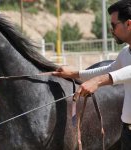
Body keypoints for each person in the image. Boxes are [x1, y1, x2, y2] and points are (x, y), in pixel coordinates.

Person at [52, 1, 131, 150]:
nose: (111, 30)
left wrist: (98, 82)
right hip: (127, 131)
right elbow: (108, 70)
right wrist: (74, 73)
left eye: (114, 25)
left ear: (128, 24)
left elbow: (125, 72)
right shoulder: (126, 53)